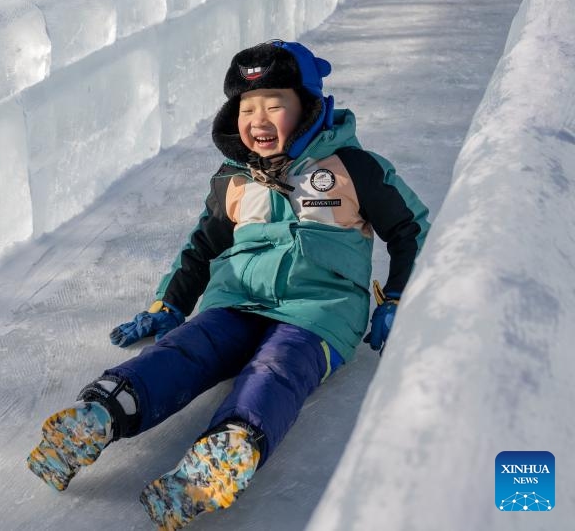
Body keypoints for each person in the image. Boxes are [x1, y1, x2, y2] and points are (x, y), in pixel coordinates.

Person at [26, 40, 429, 529]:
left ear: (307, 107)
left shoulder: (350, 168)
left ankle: (225, 452)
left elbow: (411, 229)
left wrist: (401, 297)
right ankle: (103, 413)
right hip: (236, 301)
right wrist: (169, 304)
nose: (257, 120)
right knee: (184, 350)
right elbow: (203, 244)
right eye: (247, 107)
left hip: (319, 314)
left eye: (274, 105)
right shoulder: (234, 178)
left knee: (278, 370)